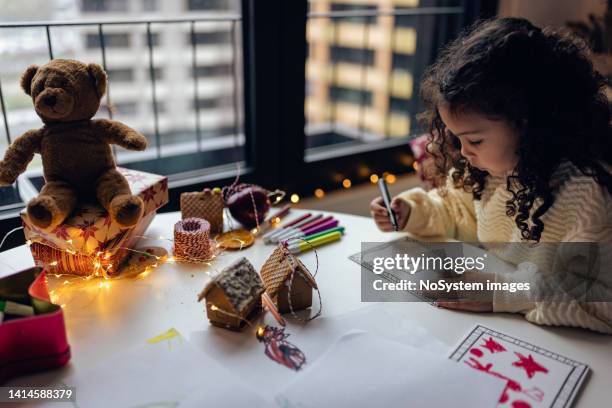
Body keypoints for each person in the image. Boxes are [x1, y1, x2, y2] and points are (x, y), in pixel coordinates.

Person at [371, 17, 612, 333]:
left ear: (528, 125)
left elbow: (603, 300)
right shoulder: (490, 168)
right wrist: (413, 211)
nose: (465, 152)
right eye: (457, 139)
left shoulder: (589, 193)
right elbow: (461, 213)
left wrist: (506, 291)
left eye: (474, 140)